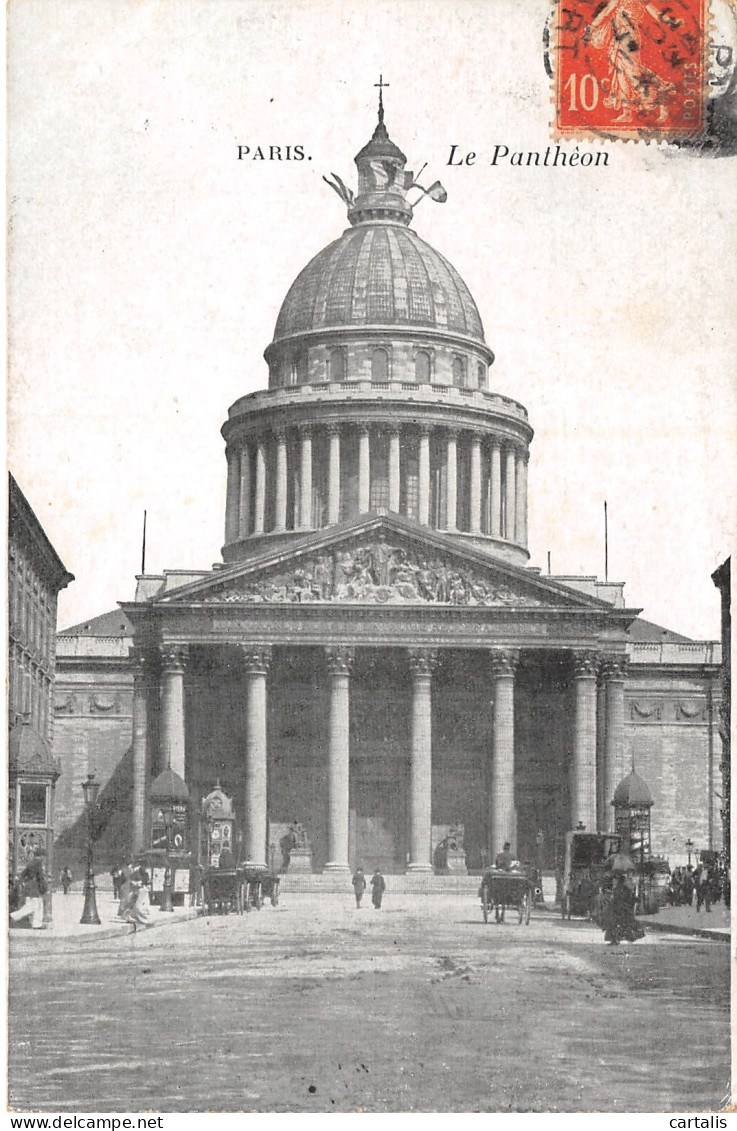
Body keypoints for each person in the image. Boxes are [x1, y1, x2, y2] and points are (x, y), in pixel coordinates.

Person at [10, 846, 48, 930]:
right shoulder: (38, 862)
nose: (44, 859)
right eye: (44, 856)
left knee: (35, 905)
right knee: (34, 905)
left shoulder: (32, 862)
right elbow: (40, 876)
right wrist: (44, 886)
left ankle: (37, 924)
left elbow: (24, 873)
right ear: (41, 856)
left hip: (30, 886)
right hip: (34, 887)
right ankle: (13, 916)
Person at [603, 875, 644, 945]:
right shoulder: (625, 889)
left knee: (616, 925)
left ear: (618, 881)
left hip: (619, 910)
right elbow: (631, 898)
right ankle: (620, 938)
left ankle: (616, 939)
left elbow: (616, 900)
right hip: (623, 910)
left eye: (614, 880)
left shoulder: (618, 889)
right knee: (623, 925)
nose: (613, 881)